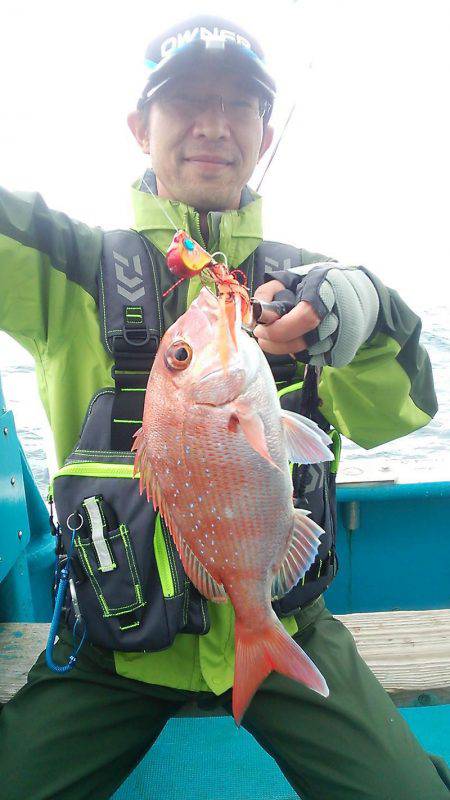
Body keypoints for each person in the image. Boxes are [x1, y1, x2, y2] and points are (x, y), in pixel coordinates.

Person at [0, 13, 448, 800]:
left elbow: (400, 412)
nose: (214, 124)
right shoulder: (65, 265)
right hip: (109, 646)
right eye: (186, 101)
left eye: (239, 103)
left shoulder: (313, 289)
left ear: (264, 134)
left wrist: (373, 307)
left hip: (285, 617)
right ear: (140, 128)